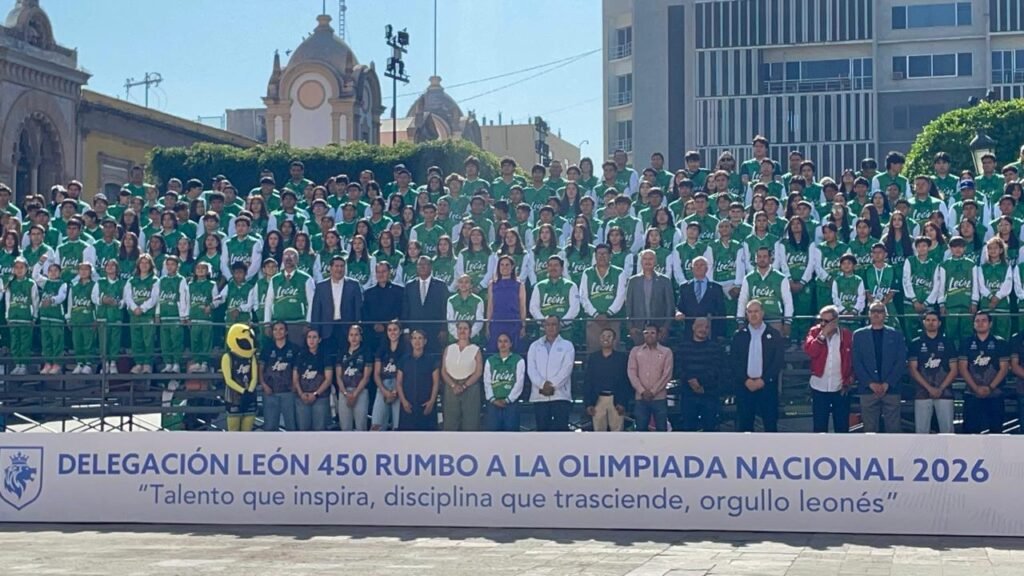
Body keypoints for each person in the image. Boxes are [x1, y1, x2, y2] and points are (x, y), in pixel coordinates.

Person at [730, 300, 786, 432]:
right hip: (745, 386)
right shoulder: (739, 336)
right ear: (746, 314)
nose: (753, 315)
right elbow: (734, 361)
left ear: (762, 313)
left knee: (770, 425)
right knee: (744, 426)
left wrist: (764, 380)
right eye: (750, 312)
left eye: (756, 311)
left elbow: (777, 361)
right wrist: (745, 380)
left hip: (767, 386)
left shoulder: (774, 335)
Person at [852, 302, 908, 433]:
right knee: (869, 431)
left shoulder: (896, 335)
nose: (876, 314)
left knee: (893, 430)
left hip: (891, 389)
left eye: (880, 311)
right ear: (869, 314)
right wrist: (870, 383)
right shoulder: (859, 335)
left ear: (885, 314)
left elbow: (900, 361)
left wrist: (888, 383)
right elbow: (856, 362)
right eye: (873, 311)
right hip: (868, 389)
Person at [803, 305, 854, 433]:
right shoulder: (814, 332)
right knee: (820, 427)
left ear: (835, 321)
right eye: (820, 320)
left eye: (826, 321)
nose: (822, 324)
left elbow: (853, 359)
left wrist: (849, 380)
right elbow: (811, 352)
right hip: (819, 387)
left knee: (842, 427)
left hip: (840, 387)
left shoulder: (846, 335)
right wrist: (822, 336)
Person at [959, 311, 1009, 434]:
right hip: (972, 394)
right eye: (977, 321)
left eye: (984, 320)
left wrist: (990, 388)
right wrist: (976, 388)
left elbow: (1004, 368)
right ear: (973, 324)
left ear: (990, 324)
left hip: (995, 394)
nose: (980, 323)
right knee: (970, 433)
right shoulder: (966, 342)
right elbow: (962, 368)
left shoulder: (1000, 342)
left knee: (996, 433)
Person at [908, 311, 957, 434]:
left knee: (947, 431)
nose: (931, 323)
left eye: (934, 320)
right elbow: (913, 369)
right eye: (928, 320)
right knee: (921, 431)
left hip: (945, 393)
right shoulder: (915, 343)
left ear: (939, 323)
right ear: (924, 322)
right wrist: (929, 388)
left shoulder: (948, 342)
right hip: (922, 393)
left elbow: (954, 369)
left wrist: (940, 388)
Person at [527, 315, 575, 431]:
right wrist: (542, 384)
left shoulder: (567, 345)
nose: (551, 327)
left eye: (554, 324)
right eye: (548, 324)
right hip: (540, 396)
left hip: (560, 396)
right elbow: (531, 369)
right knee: (542, 434)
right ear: (544, 327)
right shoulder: (534, 346)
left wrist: (552, 385)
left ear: (559, 326)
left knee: (561, 433)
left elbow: (566, 369)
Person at [678, 317, 725, 431]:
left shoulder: (715, 347)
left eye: (706, 327)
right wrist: (691, 381)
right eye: (699, 326)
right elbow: (679, 368)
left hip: (709, 394)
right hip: (688, 394)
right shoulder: (683, 347)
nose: (703, 329)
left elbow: (717, 369)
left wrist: (700, 383)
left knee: (710, 430)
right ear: (693, 327)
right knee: (688, 430)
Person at [310, 254, 363, 354]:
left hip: (347, 329)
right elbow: (316, 310)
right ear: (330, 268)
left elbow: (358, 309)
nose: (339, 269)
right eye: (336, 266)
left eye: (342, 266)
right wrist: (315, 330)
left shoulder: (354, 284)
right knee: (327, 357)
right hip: (326, 330)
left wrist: (357, 328)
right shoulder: (321, 286)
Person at [264, 247, 315, 348]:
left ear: (297, 259)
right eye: (286, 255)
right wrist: (267, 323)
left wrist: (308, 323)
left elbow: (311, 302)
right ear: (282, 259)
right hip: (278, 324)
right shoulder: (275, 279)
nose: (288, 258)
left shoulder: (306, 278)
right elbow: (268, 302)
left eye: (292, 255)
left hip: (298, 323)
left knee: (297, 350)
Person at [579, 244, 626, 351]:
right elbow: (583, 296)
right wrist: (595, 314)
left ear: (610, 255)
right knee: (593, 351)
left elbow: (621, 296)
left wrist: (608, 313)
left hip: (613, 319)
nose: (602, 256)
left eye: (605, 253)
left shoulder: (619, 272)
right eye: (599, 254)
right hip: (593, 319)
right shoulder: (587, 272)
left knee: (613, 350)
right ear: (595, 256)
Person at [627, 323, 673, 431]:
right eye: (646, 333)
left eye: (652, 333)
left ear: (658, 335)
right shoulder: (635, 351)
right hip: (640, 397)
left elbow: (667, 374)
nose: (649, 335)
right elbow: (631, 372)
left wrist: (652, 392)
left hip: (659, 398)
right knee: (640, 430)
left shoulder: (666, 352)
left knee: (661, 430)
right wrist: (642, 391)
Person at [736, 246, 793, 333]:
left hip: (775, 320)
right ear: (755, 259)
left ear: (770, 258)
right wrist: (740, 321)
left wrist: (787, 322)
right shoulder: (748, 278)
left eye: (765, 256)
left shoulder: (781, 278)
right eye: (759, 257)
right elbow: (742, 301)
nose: (762, 259)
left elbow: (788, 302)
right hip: (754, 322)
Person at [583, 327, 630, 432]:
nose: (606, 339)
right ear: (599, 338)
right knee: (598, 432)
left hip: (616, 399)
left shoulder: (621, 358)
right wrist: (589, 403)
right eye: (603, 336)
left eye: (609, 336)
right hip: (598, 400)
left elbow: (625, 382)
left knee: (617, 432)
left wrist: (622, 402)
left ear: (614, 340)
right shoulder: (593, 358)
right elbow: (588, 381)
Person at [401, 255, 450, 353]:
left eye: (425, 264)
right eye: (419, 264)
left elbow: (445, 308)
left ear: (431, 266)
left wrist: (444, 329)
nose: (422, 267)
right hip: (415, 330)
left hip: (434, 330)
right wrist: (406, 329)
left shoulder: (440, 285)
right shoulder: (410, 286)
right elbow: (405, 309)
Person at [624, 249, 674, 344]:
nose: (648, 261)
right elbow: (628, 305)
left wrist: (666, 327)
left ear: (655, 261)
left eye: (650, 259)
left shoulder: (665, 280)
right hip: (638, 329)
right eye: (645, 259)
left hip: (659, 329)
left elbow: (670, 306)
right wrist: (630, 327)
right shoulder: (633, 281)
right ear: (641, 261)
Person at [441, 320, 483, 431]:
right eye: (460, 328)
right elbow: (443, 370)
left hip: (470, 387)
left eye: (465, 328)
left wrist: (465, 385)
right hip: (451, 387)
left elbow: (478, 371)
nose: (462, 331)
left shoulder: (476, 350)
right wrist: (453, 385)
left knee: (471, 422)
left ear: (470, 332)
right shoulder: (449, 348)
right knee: (450, 422)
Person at [396, 328, 440, 431]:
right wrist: (403, 401)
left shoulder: (432, 360)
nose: (417, 341)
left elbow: (436, 382)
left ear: (425, 341)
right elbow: (399, 383)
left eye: (420, 338)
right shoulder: (404, 360)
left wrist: (431, 402)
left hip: (426, 405)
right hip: (408, 405)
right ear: (411, 341)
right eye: (414, 338)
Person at [528, 254, 581, 340]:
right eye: (550, 265)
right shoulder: (539, 286)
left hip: (565, 330)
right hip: (544, 331)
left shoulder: (571, 286)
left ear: (562, 268)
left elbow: (575, 308)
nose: (553, 268)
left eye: (556, 265)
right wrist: (545, 323)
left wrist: (561, 323)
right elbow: (533, 307)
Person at [259, 321, 299, 431]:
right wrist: (264, 385)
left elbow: (297, 370)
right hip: (270, 392)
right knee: (270, 427)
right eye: (275, 329)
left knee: (291, 426)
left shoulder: (294, 348)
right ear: (272, 332)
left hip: (288, 392)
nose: (278, 332)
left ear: (286, 332)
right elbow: (260, 369)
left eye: (281, 329)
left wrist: (295, 386)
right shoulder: (267, 349)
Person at [674, 256, 726, 339]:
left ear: (707, 269)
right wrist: (678, 312)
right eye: (696, 265)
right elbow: (679, 307)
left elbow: (721, 311)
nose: (698, 267)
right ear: (692, 269)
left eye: (702, 265)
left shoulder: (716, 287)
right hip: (689, 331)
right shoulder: (684, 287)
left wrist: (720, 333)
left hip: (710, 331)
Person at [293, 328, 333, 431]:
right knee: (303, 429)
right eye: (309, 337)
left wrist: (315, 394)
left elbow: (328, 379)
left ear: (319, 340)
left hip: (320, 398)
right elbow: (295, 378)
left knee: (319, 429)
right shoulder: (300, 355)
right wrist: (301, 394)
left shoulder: (325, 356)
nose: (311, 340)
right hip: (302, 398)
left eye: (314, 337)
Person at [483, 332, 525, 431]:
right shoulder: (490, 360)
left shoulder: (518, 360)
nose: (502, 344)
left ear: (511, 344)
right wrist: (493, 399)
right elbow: (487, 382)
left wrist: (508, 400)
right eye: (500, 341)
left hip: (511, 404)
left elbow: (519, 383)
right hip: (493, 403)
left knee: (511, 435)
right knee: (493, 434)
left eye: (505, 341)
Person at [487, 254, 527, 353]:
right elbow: (490, 306)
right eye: (502, 265)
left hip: (513, 322)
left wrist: (523, 325)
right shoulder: (492, 284)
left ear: (512, 267)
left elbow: (522, 306)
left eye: (507, 265)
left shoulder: (519, 284)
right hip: (497, 321)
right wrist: (487, 325)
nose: (504, 267)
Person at [336, 324, 372, 431]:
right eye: (351, 335)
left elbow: (366, 376)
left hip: (361, 391)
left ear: (361, 337)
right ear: (348, 337)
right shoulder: (342, 352)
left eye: (356, 335)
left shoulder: (366, 352)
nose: (354, 338)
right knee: (345, 426)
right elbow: (338, 376)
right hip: (344, 392)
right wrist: (346, 393)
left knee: (361, 425)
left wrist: (355, 394)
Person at [362, 262, 404, 353]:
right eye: (378, 272)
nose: (381, 274)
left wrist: (388, 326)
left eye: (384, 271)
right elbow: (365, 313)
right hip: (373, 333)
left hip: (393, 334)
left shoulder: (400, 291)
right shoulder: (368, 293)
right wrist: (374, 325)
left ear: (390, 272)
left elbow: (402, 311)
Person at [371, 320, 404, 431]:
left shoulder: (406, 350)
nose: (392, 332)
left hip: (399, 387)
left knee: (398, 425)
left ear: (400, 332)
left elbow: (406, 372)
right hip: (383, 386)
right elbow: (376, 374)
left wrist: (396, 390)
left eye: (395, 330)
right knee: (376, 424)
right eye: (389, 330)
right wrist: (384, 391)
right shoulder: (381, 350)